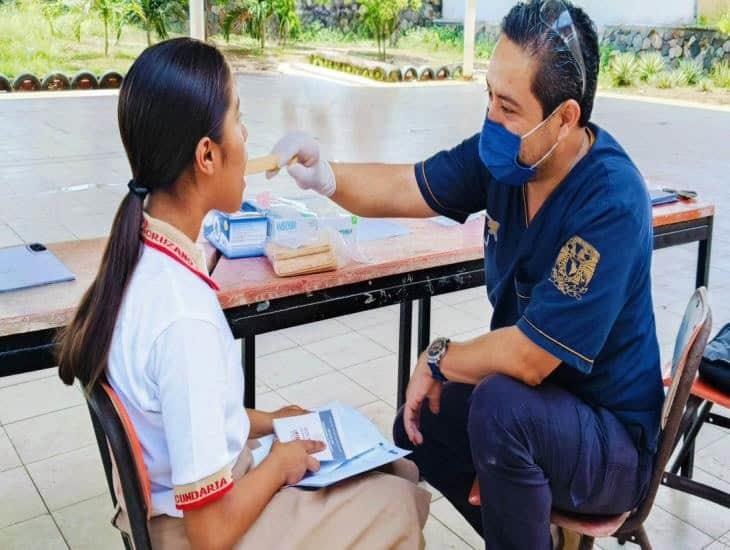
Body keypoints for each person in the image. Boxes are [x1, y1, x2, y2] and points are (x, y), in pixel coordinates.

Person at [267, 1, 663, 548]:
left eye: (508, 106)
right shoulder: (510, 160)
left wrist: (439, 357)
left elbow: (529, 358)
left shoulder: (610, 201)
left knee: (498, 407)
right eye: (489, 97)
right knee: (423, 422)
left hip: (609, 441)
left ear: (566, 117)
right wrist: (327, 177)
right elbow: (410, 187)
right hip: (536, 411)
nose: (491, 120)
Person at [57, 38, 429, 550]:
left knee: (399, 473)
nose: (248, 137)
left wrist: (268, 422)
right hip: (197, 529)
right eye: (239, 120)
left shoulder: (141, 257)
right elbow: (209, 532)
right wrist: (277, 463)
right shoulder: (183, 319)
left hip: (197, 497)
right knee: (396, 503)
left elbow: (186, 417)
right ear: (207, 155)